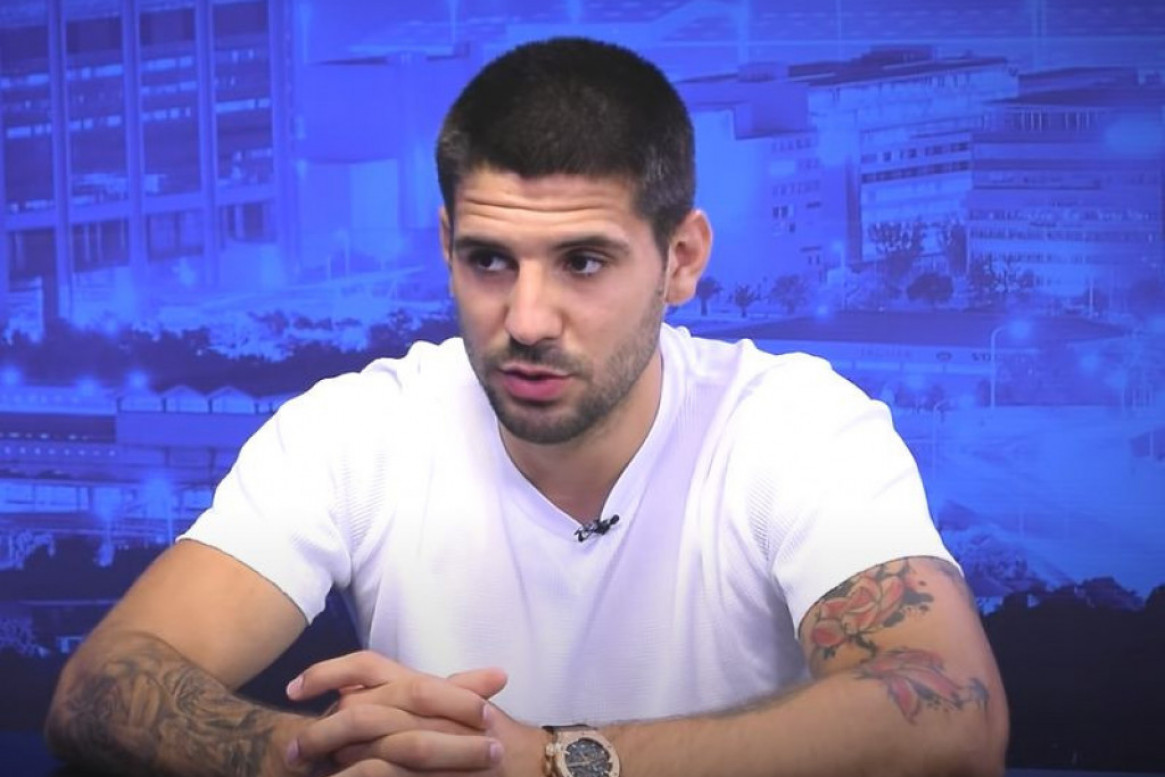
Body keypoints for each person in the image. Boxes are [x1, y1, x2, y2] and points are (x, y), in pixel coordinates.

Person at [46, 37, 1007, 777]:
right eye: (488, 261)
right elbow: (97, 686)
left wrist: (551, 761)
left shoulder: (796, 424)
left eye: (582, 261)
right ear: (446, 246)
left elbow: (954, 711)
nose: (527, 319)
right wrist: (310, 756)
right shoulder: (353, 430)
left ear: (680, 260)